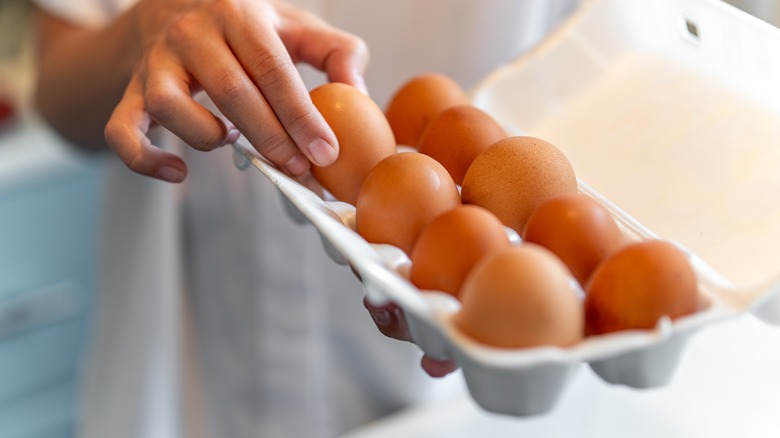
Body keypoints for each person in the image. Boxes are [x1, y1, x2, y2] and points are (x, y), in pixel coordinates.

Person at [31, 0, 579, 437]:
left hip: (439, 406)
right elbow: (54, 90)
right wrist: (143, 26)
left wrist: (492, 273)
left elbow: (621, 67)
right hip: (183, 374)